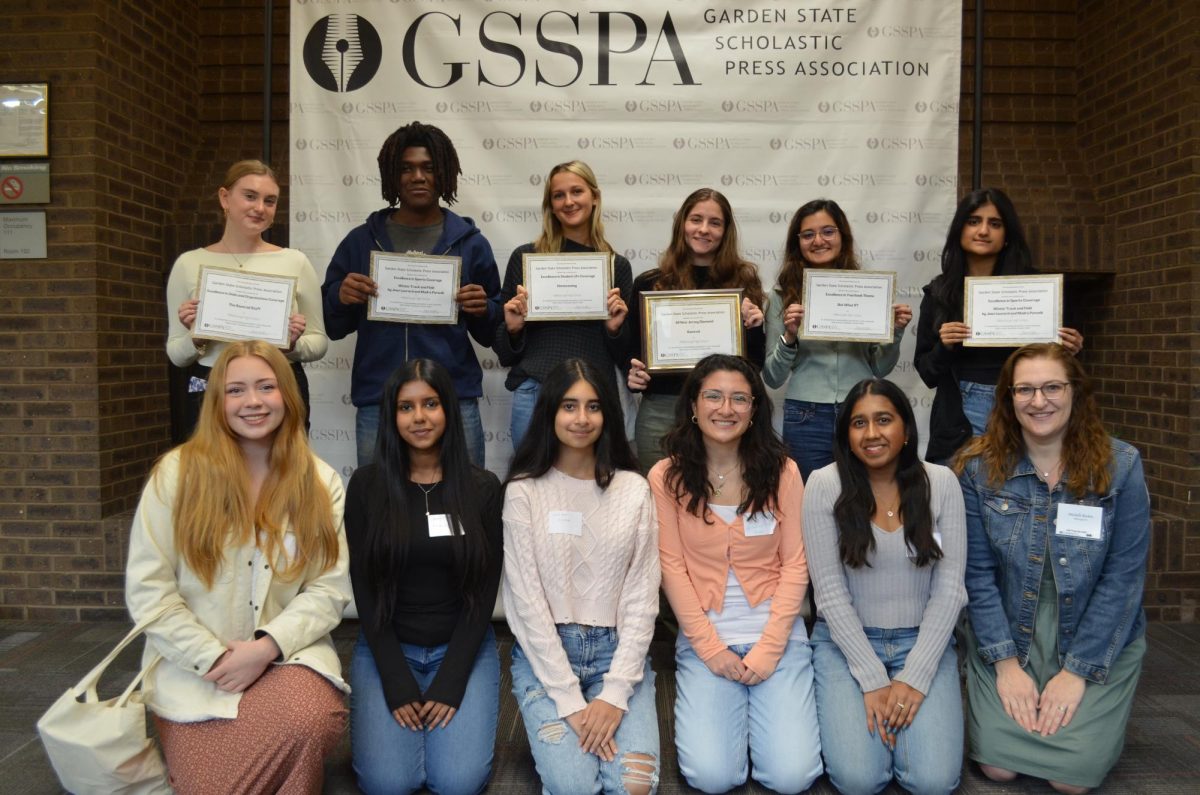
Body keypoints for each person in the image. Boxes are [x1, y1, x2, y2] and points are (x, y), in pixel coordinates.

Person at [125, 340, 350, 794]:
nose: (253, 402)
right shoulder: (175, 474)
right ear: (217, 401)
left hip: (285, 660)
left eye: (266, 387)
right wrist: (214, 657)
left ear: (287, 395)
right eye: (236, 391)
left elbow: (328, 592)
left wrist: (265, 648)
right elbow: (149, 591)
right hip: (197, 670)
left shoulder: (321, 481)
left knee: (309, 720)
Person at [956, 343, 1149, 794]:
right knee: (999, 769)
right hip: (1006, 629)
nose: (1038, 401)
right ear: (1007, 398)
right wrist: (1005, 665)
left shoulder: (1120, 467)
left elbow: (1124, 580)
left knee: (1069, 781)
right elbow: (977, 576)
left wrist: (1077, 672)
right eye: (1024, 389)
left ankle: (1092, 713)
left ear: (1075, 392)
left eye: (1051, 387)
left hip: (1094, 632)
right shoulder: (978, 469)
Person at [651, 354, 822, 794]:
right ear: (693, 404)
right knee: (712, 778)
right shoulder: (665, 476)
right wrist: (711, 650)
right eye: (713, 396)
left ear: (754, 410)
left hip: (777, 636)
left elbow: (796, 564)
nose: (725, 409)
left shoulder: (783, 471)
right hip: (708, 639)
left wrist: (769, 648)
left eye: (739, 399)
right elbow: (671, 568)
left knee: (792, 778)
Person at [502, 358, 661, 795]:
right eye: (569, 406)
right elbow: (527, 604)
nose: (581, 419)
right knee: (574, 788)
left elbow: (642, 599)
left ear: (608, 414)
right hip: (547, 656)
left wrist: (614, 694)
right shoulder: (523, 492)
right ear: (550, 412)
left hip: (618, 653)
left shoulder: (634, 489)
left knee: (634, 788)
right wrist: (569, 700)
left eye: (593, 407)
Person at [345, 359, 503, 795]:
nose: (419, 417)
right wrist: (395, 677)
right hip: (388, 645)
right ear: (391, 416)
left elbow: (484, 590)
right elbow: (365, 586)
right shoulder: (366, 487)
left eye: (430, 404)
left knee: (458, 783)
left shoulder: (484, 487)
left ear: (449, 410)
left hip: (462, 647)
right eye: (406, 407)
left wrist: (452, 679)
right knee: (386, 784)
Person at [803, 378, 967, 795]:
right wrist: (873, 678)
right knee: (860, 780)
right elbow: (829, 593)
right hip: (846, 645)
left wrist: (915, 675)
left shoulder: (942, 482)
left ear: (907, 428)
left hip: (923, 642)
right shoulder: (824, 485)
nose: (872, 433)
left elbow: (949, 591)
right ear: (846, 435)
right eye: (859, 423)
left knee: (932, 782)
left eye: (883, 420)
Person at [321, 121, 502, 467]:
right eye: (406, 168)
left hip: (453, 396)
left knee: (467, 499)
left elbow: (493, 333)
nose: (417, 176)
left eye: (429, 167)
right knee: (379, 504)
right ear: (392, 175)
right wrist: (339, 298)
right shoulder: (360, 242)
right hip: (380, 398)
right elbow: (332, 325)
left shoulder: (472, 244)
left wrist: (485, 310)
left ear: (444, 174)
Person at [914, 188, 1084, 462]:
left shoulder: (1037, 288)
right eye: (973, 222)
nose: (983, 231)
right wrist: (944, 347)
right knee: (959, 501)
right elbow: (927, 373)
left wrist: (1071, 350)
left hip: (1025, 409)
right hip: (959, 419)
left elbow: (1058, 367)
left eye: (995, 224)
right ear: (959, 230)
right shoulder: (939, 292)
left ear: (1007, 235)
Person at [166, 160, 327, 433]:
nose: (259, 208)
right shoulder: (188, 264)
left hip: (279, 383)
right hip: (210, 386)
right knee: (214, 472)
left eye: (270, 200)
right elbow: (176, 354)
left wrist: (291, 346)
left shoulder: (295, 262)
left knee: (283, 471)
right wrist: (196, 338)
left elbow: (319, 342)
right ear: (224, 198)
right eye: (250, 196)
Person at [763, 199, 912, 482]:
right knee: (808, 501)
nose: (818, 240)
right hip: (805, 415)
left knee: (863, 497)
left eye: (828, 231)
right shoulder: (781, 297)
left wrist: (895, 332)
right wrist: (790, 336)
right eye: (808, 234)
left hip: (860, 409)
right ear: (798, 243)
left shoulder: (868, 290)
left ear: (843, 236)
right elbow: (772, 377)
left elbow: (880, 369)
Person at [494, 161, 633, 449]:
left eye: (577, 192)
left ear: (594, 197)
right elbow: (505, 353)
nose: (568, 202)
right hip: (534, 390)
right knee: (530, 486)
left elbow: (625, 357)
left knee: (593, 488)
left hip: (595, 397)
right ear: (551, 205)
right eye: (559, 195)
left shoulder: (616, 266)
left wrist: (615, 330)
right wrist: (513, 329)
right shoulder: (525, 259)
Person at [626, 189, 767, 472]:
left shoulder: (744, 282)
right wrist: (633, 370)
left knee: (716, 497)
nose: (704, 229)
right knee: (658, 499)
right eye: (696, 219)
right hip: (660, 410)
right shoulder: (650, 284)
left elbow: (755, 364)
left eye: (715, 223)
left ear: (726, 231)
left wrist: (754, 327)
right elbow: (631, 349)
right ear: (682, 224)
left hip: (722, 410)